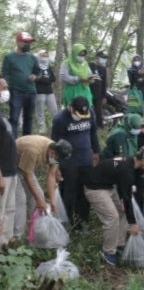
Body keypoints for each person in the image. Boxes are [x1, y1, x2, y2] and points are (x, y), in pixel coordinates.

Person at [85, 146, 144, 266]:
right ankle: (107, 251)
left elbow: (131, 191)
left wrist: (124, 201)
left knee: (122, 211)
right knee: (112, 217)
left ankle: (119, 244)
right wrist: (133, 223)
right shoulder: (126, 170)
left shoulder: (135, 165)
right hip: (95, 188)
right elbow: (127, 198)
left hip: (109, 185)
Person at [51, 96, 100, 231]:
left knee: (84, 191)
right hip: (69, 162)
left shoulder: (89, 113)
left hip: (86, 160)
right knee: (69, 192)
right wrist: (56, 166)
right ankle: (67, 221)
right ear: (71, 107)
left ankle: (82, 222)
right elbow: (54, 144)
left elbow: (93, 133)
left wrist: (96, 151)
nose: (81, 116)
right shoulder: (60, 119)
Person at [14, 137, 72, 240]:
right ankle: (16, 236)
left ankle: (33, 230)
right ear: (52, 152)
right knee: (20, 199)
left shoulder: (56, 153)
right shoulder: (33, 150)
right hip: (12, 167)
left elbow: (51, 175)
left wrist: (52, 200)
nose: (57, 161)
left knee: (39, 195)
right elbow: (27, 176)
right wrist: (39, 200)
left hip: (26, 168)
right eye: (57, 158)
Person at [2, 32, 39, 138]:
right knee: (14, 118)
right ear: (18, 42)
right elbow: (6, 75)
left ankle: (26, 142)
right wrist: (6, 91)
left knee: (28, 118)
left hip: (31, 91)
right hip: (16, 92)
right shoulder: (9, 57)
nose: (28, 45)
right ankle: (13, 143)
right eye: (25, 42)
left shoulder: (32, 58)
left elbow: (37, 72)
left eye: (29, 42)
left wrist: (34, 76)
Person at [0, 78, 17, 246]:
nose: (6, 91)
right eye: (3, 88)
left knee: (10, 208)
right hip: (3, 170)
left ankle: (5, 243)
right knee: (1, 210)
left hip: (11, 169)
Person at [61, 43, 94, 108]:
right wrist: (78, 79)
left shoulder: (85, 63)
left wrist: (90, 79)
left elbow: (90, 74)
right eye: (80, 54)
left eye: (83, 54)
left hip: (85, 90)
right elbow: (63, 76)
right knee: (74, 111)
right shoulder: (67, 62)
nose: (82, 56)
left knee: (86, 111)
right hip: (73, 90)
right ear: (74, 53)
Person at [34, 50, 58, 134]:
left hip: (49, 91)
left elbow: (53, 78)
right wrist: (42, 79)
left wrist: (45, 79)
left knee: (54, 109)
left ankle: (56, 125)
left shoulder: (48, 67)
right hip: (39, 91)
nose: (44, 58)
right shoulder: (35, 67)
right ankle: (42, 127)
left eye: (46, 56)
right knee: (40, 110)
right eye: (43, 56)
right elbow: (35, 78)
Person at [88, 50, 108, 129]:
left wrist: (104, 96)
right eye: (102, 57)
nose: (103, 59)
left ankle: (99, 127)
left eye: (105, 58)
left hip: (99, 93)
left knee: (98, 111)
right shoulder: (90, 66)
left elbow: (104, 83)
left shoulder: (103, 69)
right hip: (89, 91)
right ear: (97, 57)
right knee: (89, 110)